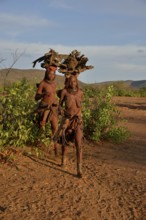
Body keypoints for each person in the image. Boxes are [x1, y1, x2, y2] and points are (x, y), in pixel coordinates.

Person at [54, 74, 84, 178]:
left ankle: (79, 169)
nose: (73, 83)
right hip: (67, 120)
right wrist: (62, 112)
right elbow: (59, 106)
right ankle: (63, 160)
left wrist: (79, 115)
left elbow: (80, 107)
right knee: (64, 142)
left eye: (74, 81)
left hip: (77, 121)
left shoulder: (80, 92)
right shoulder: (64, 92)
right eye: (71, 81)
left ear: (77, 82)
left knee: (79, 144)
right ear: (67, 82)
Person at [35, 66, 58, 155]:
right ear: (46, 74)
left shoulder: (54, 84)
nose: (51, 76)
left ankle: (56, 150)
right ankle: (39, 146)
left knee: (55, 128)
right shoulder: (42, 83)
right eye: (50, 74)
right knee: (42, 126)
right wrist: (43, 94)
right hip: (44, 107)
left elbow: (54, 95)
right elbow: (36, 97)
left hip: (53, 108)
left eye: (53, 74)